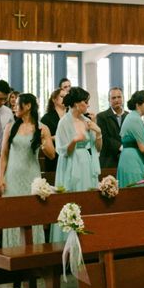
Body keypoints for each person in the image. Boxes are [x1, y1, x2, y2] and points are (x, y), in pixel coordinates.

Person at [0, 93, 55, 247]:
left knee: (32, 214)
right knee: (13, 215)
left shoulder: (42, 128)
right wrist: (1, 177)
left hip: (31, 177)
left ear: (28, 106)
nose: (14, 107)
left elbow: (51, 155)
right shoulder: (11, 127)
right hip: (12, 177)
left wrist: (43, 141)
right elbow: (4, 154)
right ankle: (12, 251)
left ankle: (34, 253)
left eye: (18, 104)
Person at [51, 87, 102, 241]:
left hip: (86, 162)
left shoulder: (87, 121)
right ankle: (69, 239)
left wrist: (98, 132)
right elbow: (61, 150)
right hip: (71, 163)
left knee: (87, 197)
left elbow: (97, 148)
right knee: (72, 198)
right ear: (76, 103)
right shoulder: (64, 122)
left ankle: (88, 238)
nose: (87, 105)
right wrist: (74, 140)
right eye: (85, 102)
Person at [96, 87, 128, 168]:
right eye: (113, 98)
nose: (117, 100)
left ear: (123, 98)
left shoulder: (129, 116)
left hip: (126, 160)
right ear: (109, 100)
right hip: (109, 161)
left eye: (119, 97)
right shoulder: (101, 116)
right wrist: (122, 148)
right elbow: (105, 138)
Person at [40, 89, 67, 172]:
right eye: (62, 97)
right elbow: (42, 138)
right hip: (54, 155)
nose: (65, 99)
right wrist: (53, 138)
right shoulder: (47, 118)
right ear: (54, 99)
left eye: (66, 97)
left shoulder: (71, 115)